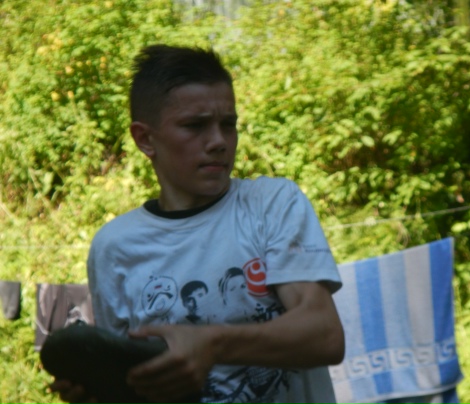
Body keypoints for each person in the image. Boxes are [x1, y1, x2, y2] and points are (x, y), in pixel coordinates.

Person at [50, 44, 345, 404]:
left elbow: (324, 334)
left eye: (228, 124)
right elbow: (135, 379)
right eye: (195, 126)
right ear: (145, 139)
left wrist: (211, 344)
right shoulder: (114, 247)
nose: (219, 141)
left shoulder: (271, 204)